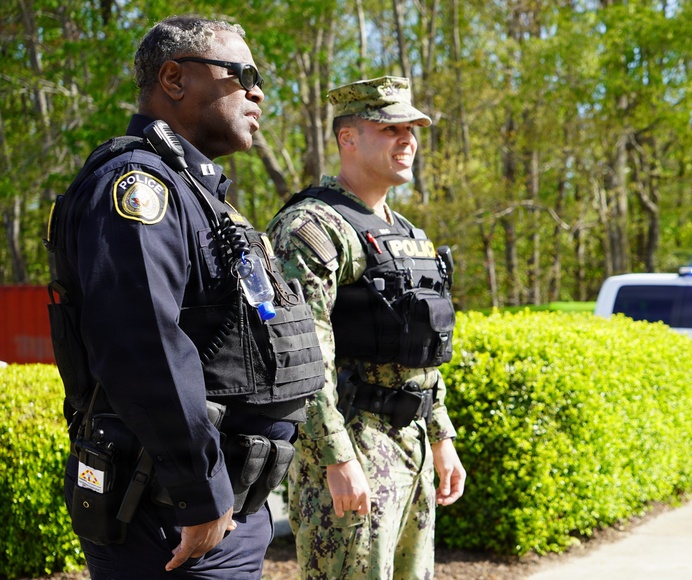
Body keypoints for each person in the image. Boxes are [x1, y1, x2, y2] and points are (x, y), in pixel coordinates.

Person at [45, 16, 324, 578]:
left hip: (215, 506)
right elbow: (141, 345)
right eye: (241, 73)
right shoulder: (137, 187)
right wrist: (201, 489)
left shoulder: (195, 191)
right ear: (174, 78)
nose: (258, 91)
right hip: (169, 514)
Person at [267, 76, 467, 579]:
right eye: (390, 128)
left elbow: (422, 351)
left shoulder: (407, 234)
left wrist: (441, 436)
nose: (408, 141)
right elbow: (300, 355)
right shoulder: (312, 228)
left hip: (412, 445)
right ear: (347, 138)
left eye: (413, 130)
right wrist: (336, 458)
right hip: (352, 444)